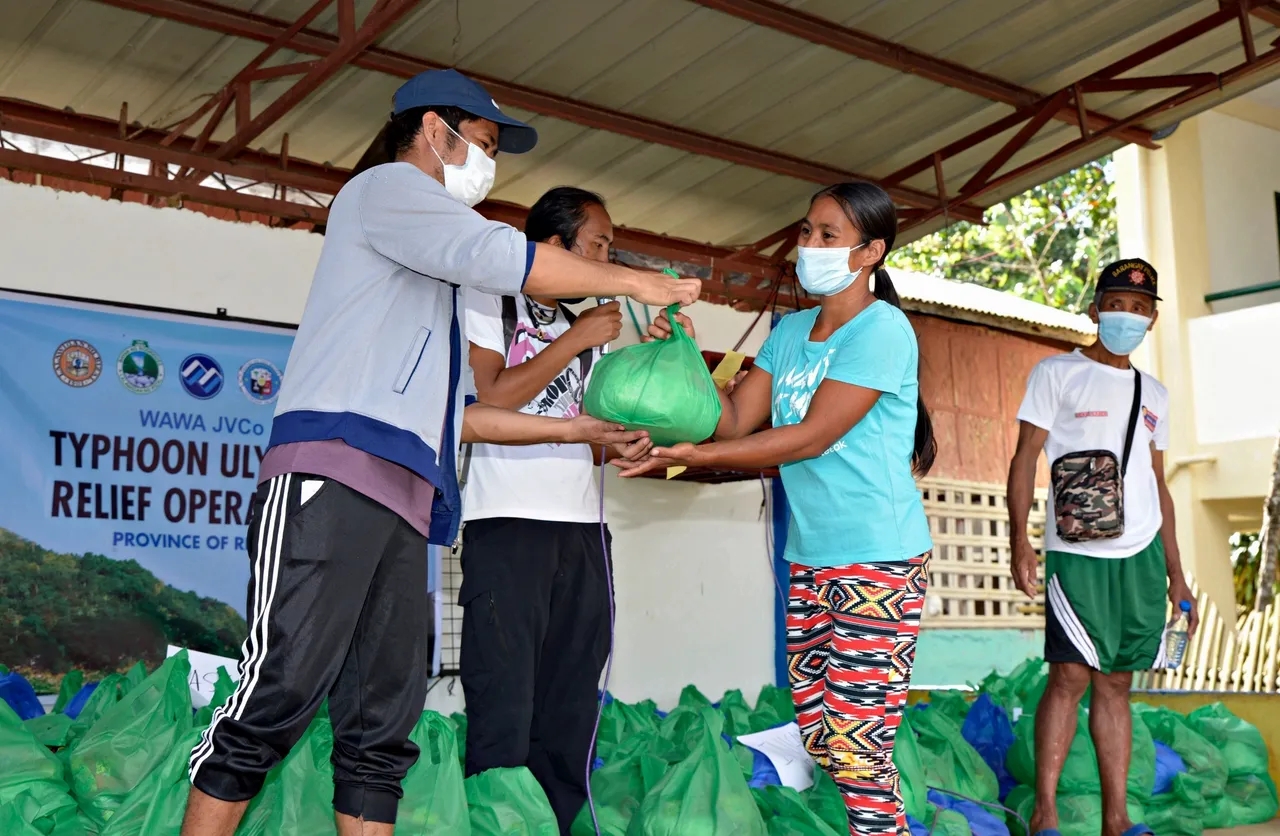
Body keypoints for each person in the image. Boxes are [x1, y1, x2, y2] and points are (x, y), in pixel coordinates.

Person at [180, 69, 700, 836]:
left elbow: (469, 417)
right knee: (280, 690)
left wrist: (578, 431)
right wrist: (637, 281)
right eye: (484, 143)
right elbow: (505, 256)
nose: (489, 163)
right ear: (434, 130)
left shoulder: (436, 283)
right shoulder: (386, 190)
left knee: (381, 722)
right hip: (335, 470)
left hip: (407, 499)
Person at [619, 181, 937, 836]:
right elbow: (734, 419)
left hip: (878, 557)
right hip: (811, 558)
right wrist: (682, 352)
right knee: (821, 734)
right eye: (807, 231)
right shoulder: (790, 332)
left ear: (871, 252)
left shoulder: (883, 330)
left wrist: (697, 457)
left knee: (855, 742)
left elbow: (810, 436)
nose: (810, 245)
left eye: (829, 235)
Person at [459, 185, 695, 833]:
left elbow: (590, 433)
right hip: (506, 525)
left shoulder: (587, 330)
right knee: (504, 696)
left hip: (583, 532)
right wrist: (576, 339)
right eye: (598, 246)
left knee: (570, 703)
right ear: (554, 246)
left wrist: (656, 378)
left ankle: (560, 820)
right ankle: (499, 822)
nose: (606, 261)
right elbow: (492, 398)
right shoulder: (488, 300)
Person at [1006, 257, 1197, 836]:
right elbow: (1024, 459)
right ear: (1095, 310)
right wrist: (1019, 540)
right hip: (1078, 551)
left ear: (1152, 319)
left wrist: (1177, 573)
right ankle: (1045, 812)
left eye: (1139, 308)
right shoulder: (1057, 373)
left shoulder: (1154, 393)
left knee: (1117, 683)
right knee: (1069, 677)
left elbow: (1157, 483)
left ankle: (1117, 820)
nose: (1127, 316)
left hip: (1141, 553)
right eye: (1116, 305)